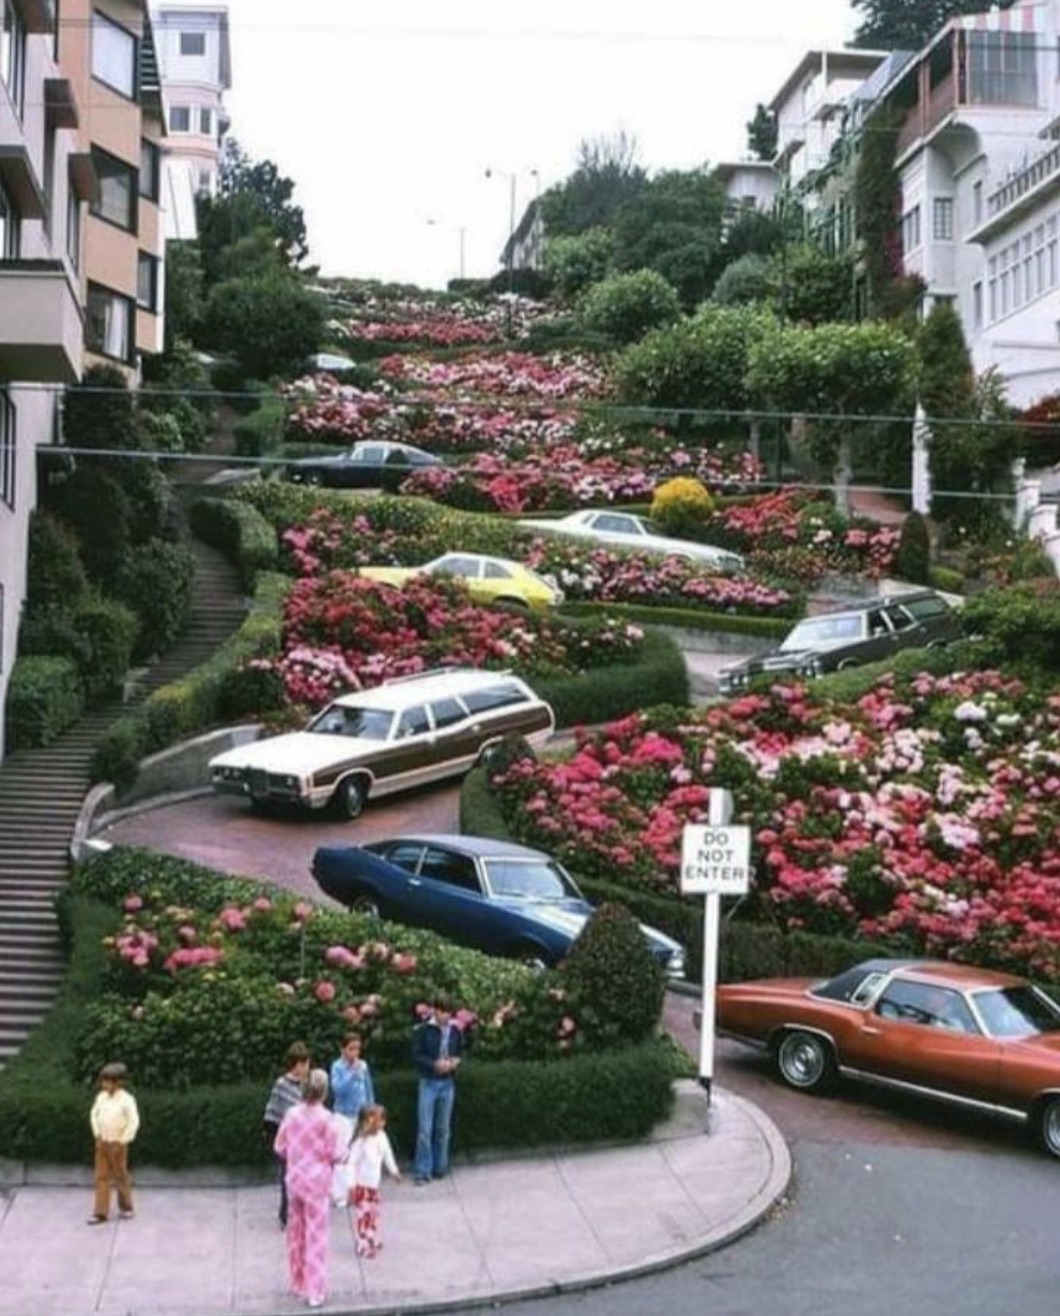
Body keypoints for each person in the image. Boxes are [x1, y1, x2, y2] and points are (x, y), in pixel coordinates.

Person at [274, 1067, 345, 1310]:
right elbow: (336, 1153)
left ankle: (298, 1282)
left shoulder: (291, 1114)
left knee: (296, 1234)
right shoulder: (328, 1120)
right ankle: (315, 1291)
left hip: (294, 1180)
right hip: (317, 1184)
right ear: (325, 1092)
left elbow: (279, 1146)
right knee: (316, 1237)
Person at [411, 993, 464, 1185]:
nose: (446, 1017)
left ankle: (440, 1167)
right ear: (435, 1011)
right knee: (425, 1129)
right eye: (442, 1012)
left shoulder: (455, 1031)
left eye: (448, 1013)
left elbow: (459, 1051)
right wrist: (434, 1064)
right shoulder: (424, 1030)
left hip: (447, 1082)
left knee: (443, 1128)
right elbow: (417, 1055)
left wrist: (454, 1062)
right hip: (429, 1082)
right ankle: (422, 1171)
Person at [263, 1042, 311, 1229]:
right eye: (304, 1064)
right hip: (290, 1140)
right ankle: (286, 1215)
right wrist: (269, 1130)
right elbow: (273, 1108)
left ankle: (304, 1211)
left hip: (307, 1139)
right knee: (287, 1177)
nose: (307, 1067)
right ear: (295, 1064)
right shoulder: (282, 1084)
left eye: (307, 1063)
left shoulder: (309, 1083)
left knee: (306, 1177)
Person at [87, 1061, 140, 1225]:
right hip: (103, 1142)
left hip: (118, 1143)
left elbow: (133, 1121)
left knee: (120, 1176)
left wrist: (123, 1140)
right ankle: (100, 1212)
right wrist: (97, 1134)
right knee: (101, 1177)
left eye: (108, 1081)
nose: (104, 1084)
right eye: (103, 1081)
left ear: (118, 1082)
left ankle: (126, 1207)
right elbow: (94, 1115)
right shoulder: (101, 1098)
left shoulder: (127, 1100)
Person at [347, 1104, 400, 1259]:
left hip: (373, 1186)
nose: (381, 1123)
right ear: (366, 1123)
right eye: (376, 1120)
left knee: (373, 1213)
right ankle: (362, 1243)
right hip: (361, 1187)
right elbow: (351, 1164)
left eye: (382, 1120)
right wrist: (351, 1186)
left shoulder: (382, 1137)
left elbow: (387, 1154)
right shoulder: (360, 1143)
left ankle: (372, 1236)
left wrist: (393, 1170)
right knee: (363, 1215)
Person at [328, 1032, 375, 1206]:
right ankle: (341, 1194)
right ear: (343, 1049)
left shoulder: (363, 1065)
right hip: (343, 1115)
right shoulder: (337, 1067)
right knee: (342, 1155)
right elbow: (338, 1090)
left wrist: (372, 1110)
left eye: (357, 1049)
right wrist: (352, 1074)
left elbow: (369, 1088)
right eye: (351, 1049)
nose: (355, 1053)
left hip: (361, 1114)